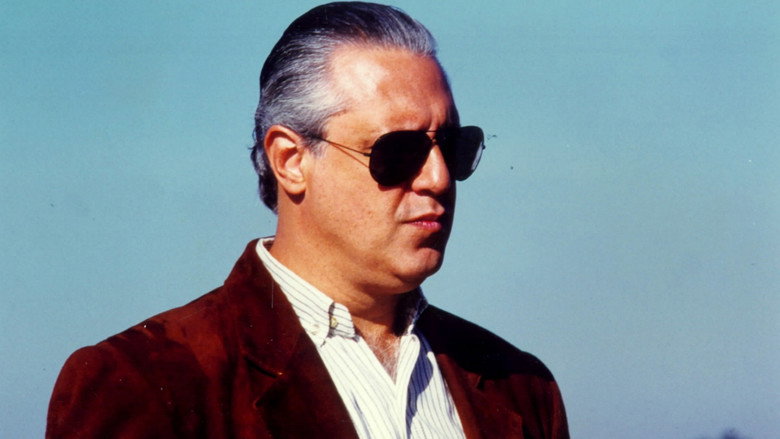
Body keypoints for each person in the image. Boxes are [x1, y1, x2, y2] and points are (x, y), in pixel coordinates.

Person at [46, 2, 569, 438]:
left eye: (452, 147)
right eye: (398, 151)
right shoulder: (147, 381)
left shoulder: (520, 388)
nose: (437, 178)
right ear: (291, 161)